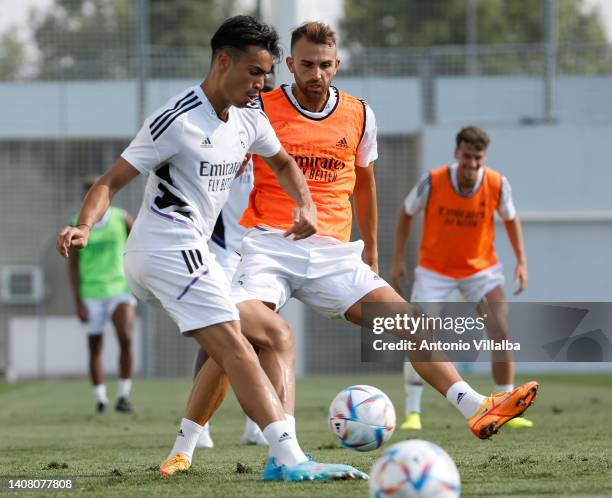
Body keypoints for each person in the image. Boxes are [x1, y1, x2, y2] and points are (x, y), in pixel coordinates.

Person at [192, 22, 538, 452]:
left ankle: (474, 406)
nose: (315, 74)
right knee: (239, 333)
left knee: (414, 324)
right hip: (269, 246)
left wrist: (371, 250)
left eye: (323, 65)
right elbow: (219, 149)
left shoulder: (360, 114)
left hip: (335, 256)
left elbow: (365, 184)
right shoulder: (259, 107)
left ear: (336, 64)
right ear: (289, 65)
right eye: (305, 65)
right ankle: (191, 441)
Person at [56, 16, 366, 482]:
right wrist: (83, 226)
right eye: (254, 73)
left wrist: (307, 205)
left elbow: (283, 164)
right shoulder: (175, 119)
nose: (262, 84)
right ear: (223, 62)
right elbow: (109, 182)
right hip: (164, 248)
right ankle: (289, 459)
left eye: (266, 75)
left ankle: (183, 450)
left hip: (193, 253)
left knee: (276, 335)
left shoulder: (249, 117)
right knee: (238, 349)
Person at [391, 126, 533, 431]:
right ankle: (413, 413)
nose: (471, 163)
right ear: (457, 153)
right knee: (418, 334)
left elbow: (510, 219)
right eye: (467, 156)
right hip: (434, 270)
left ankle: (506, 405)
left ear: (484, 157)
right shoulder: (432, 180)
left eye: (477, 158)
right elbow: (405, 213)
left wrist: (521, 261)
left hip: (480, 270)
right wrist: (398, 258)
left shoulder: (497, 183)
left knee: (501, 329)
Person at [194, 70, 277, 449]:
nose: (261, 90)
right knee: (217, 332)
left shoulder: (274, 140)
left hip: (259, 254)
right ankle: (201, 424)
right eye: (256, 80)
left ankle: (255, 426)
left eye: (269, 84)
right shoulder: (222, 131)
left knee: (260, 336)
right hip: (223, 253)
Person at [68, 177, 136, 414]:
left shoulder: (121, 217)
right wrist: (78, 302)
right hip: (92, 292)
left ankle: (124, 396)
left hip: (119, 289)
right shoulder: (76, 223)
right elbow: (73, 266)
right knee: (95, 346)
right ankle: (100, 398)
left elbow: (139, 244)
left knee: (125, 336)